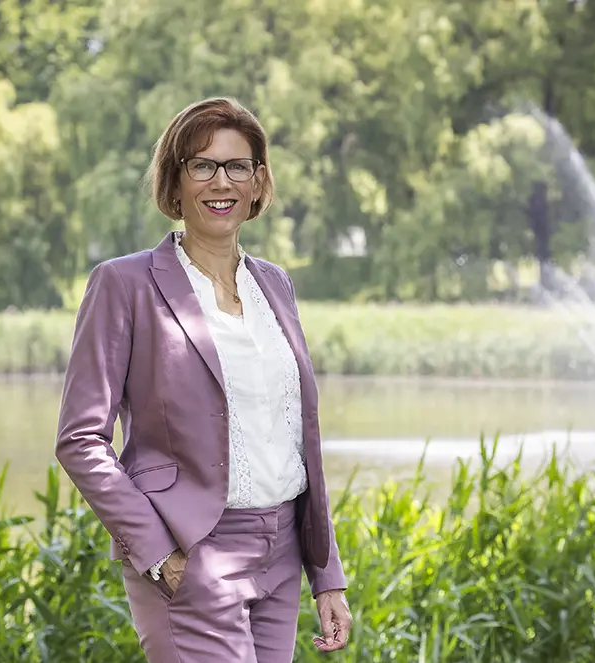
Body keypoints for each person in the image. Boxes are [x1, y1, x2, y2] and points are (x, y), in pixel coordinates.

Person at [54, 96, 352, 663]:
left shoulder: (276, 286)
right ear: (175, 182)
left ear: (259, 181)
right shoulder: (123, 285)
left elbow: (292, 435)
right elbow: (80, 440)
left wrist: (326, 573)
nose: (222, 181)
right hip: (191, 553)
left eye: (238, 166)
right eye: (202, 165)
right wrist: (156, 552)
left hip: (283, 552)